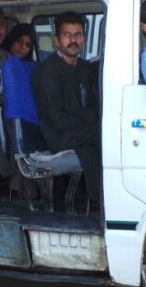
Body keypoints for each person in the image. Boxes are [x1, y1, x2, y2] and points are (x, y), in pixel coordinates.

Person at [31, 11, 101, 204]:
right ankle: (97, 201)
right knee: (106, 135)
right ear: (57, 41)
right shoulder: (47, 72)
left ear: (84, 38)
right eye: (67, 35)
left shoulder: (85, 68)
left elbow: (95, 105)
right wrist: (89, 121)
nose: (73, 40)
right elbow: (56, 119)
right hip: (59, 135)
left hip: (82, 128)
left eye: (77, 34)